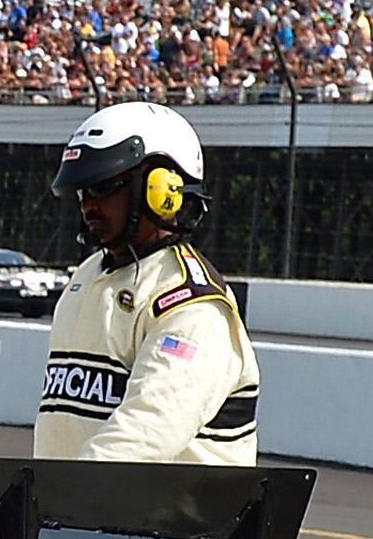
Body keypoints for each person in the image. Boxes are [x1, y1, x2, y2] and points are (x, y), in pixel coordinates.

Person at [38, 101, 260, 463]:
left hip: (169, 519)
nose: (87, 205)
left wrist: (52, 499)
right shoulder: (88, 275)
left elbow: (146, 434)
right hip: (85, 513)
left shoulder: (192, 305)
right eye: (83, 191)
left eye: (105, 187)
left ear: (163, 189)